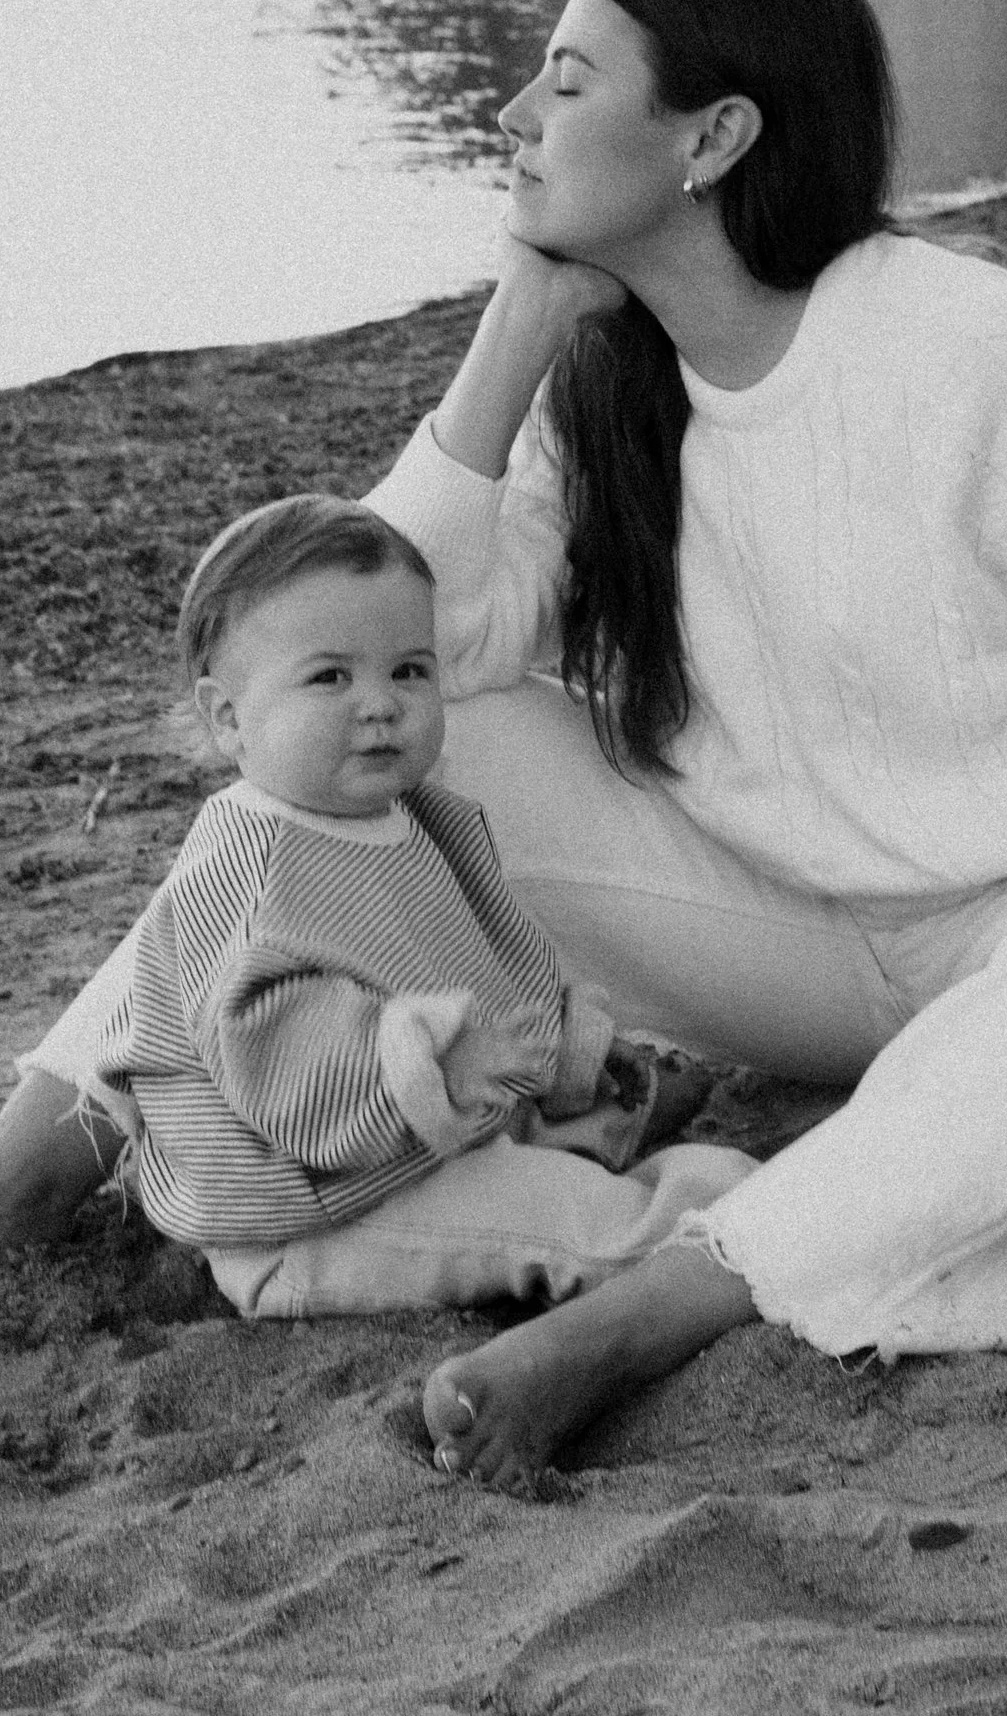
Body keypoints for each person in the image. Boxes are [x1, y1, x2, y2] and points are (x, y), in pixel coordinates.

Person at [0, 0, 1007, 1503]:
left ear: (714, 136)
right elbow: (386, 625)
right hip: (775, 941)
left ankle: (652, 1310)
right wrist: (519, 327)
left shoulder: (971, 347)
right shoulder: (608, 389)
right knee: (372, 733)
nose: (509, 116)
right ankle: (11, 1178)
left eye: (564, 78)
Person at [61, 489, 748, 1317]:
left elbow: (482, 954)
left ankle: (641, 1159)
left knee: (543, 1161)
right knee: (559, 1216)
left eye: (409, 670)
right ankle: (703, 1239)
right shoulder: (249, 869)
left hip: (407, 1142)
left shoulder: (411, 817)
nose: (381, 703)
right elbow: (272, 1051)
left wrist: (560, 1047)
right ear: (229, 719)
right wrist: (422, 1066)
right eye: (330, 677)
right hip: (310, 1209)